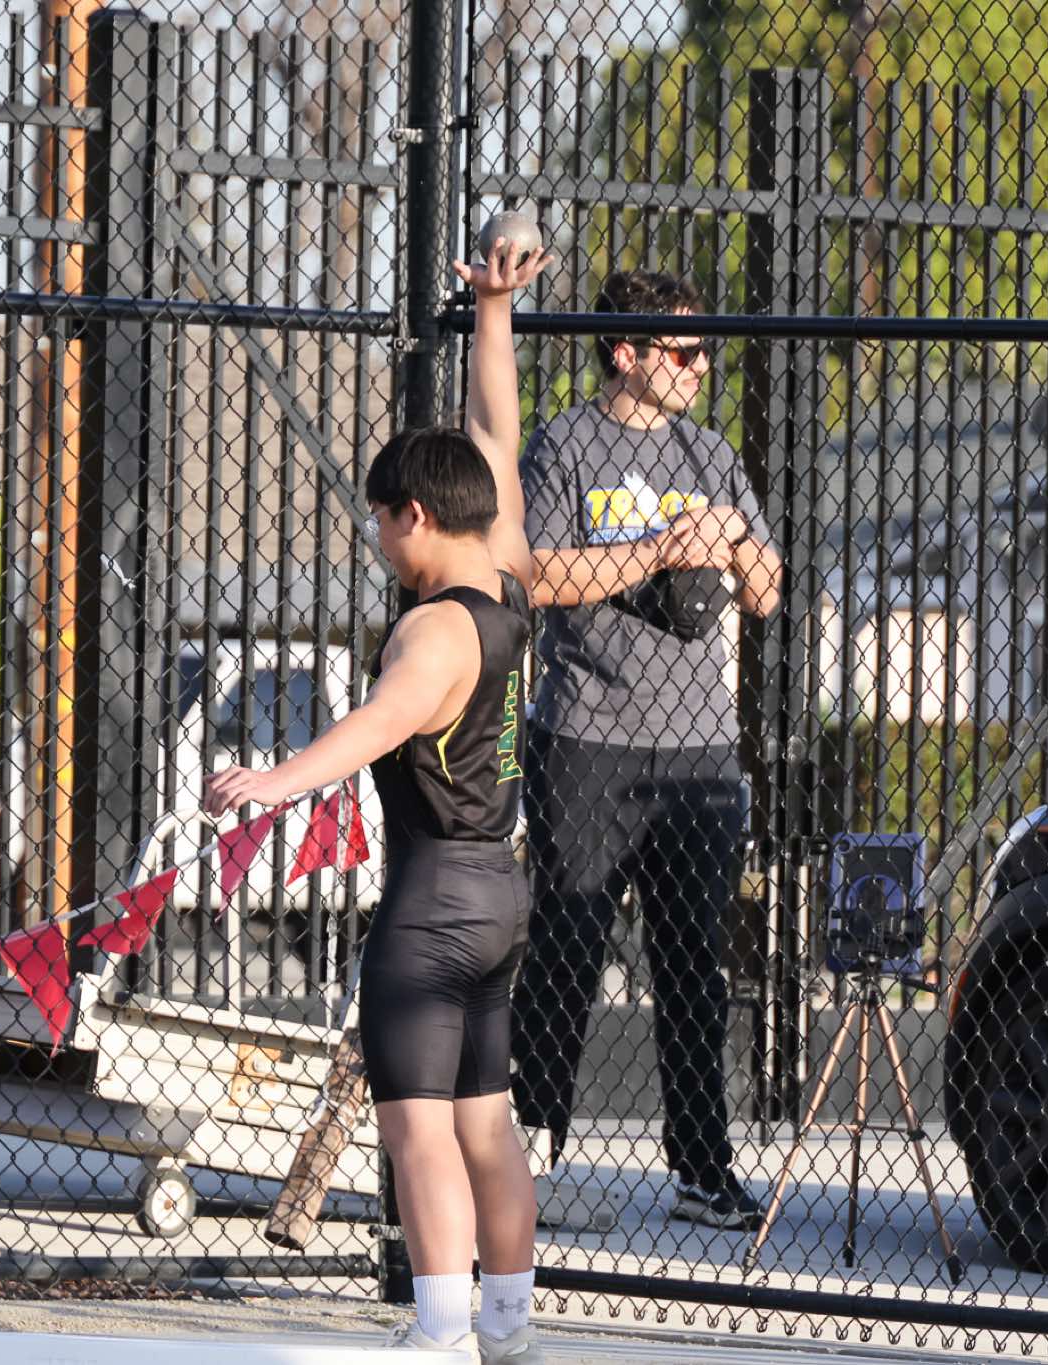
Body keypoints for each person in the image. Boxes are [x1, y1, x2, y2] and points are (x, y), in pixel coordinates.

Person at [203, 241, 552, 1363]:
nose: (375, 537)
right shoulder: (505, 576)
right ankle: (508, 1327)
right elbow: (496, 437)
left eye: (379, 518)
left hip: (431, 903)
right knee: (486, 1123)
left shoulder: (432, 628)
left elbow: (380, 724)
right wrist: (493, 313)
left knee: (418, 1131)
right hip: (499, 893)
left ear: (414, 515)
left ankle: (440, 1330)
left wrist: (274, 779)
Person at [508, 269, 784, 1231]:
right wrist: (656, 551)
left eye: (706, 351)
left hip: (699, 752)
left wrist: (732, 536)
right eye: (683, 351)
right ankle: (528, 1151)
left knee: (693, 968)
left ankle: (704, 1169)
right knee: (566, 950)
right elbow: (536, 574)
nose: (701, 367)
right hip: (589, 739)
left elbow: (768, 591)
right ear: (625, 353)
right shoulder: (567, 444)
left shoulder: (710, 454)